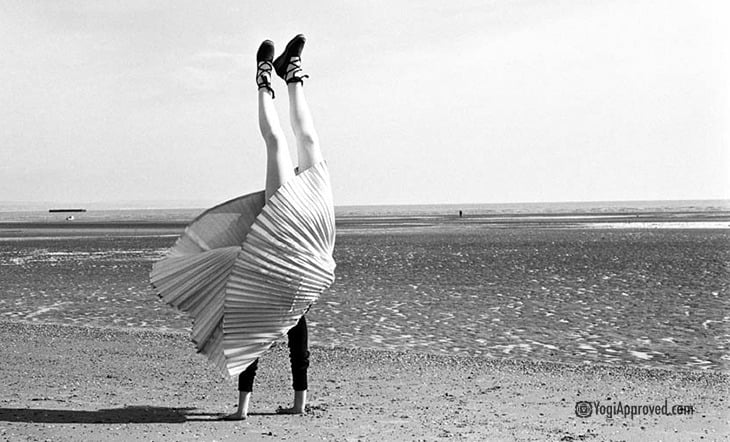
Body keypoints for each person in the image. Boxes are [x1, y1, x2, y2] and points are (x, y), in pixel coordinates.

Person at [223, 34, 322, 420]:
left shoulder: (264, 307)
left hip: (283, 216)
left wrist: (242, 410)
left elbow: (249, 344)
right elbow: (298, 344)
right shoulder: (297, 302)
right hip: (311, 214)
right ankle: (290, 74)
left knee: (278, 142)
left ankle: (266, 77)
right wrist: (298, 405)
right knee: (308, 138)